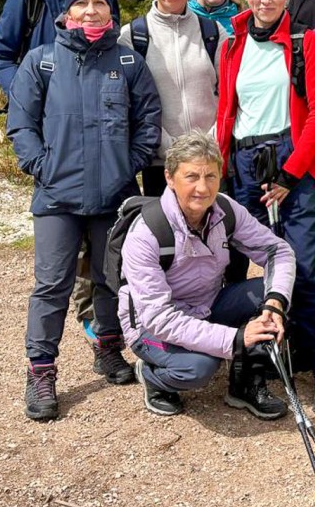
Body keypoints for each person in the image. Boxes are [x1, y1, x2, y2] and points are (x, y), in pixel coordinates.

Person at [7, 0, 162, 421]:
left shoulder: (128, 62)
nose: (91, 11)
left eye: (99, 3)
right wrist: (42, 167)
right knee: (52, 285)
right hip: (56, 197)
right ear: (68, 9)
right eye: (82, 3)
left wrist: (127, 166)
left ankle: (108, 347)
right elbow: (21, 124)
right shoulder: (42, 61)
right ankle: (41, 370)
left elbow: (148, 121)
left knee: (110, 278)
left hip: (113, 196)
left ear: (110, 11)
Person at [216, 0, 315, 411]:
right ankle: (256, 361)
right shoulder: (231, 43)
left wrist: (291, 174)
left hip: (294, 158)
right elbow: (227, 110)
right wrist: (222, 167)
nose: (265, 0)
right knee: (243, 267)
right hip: (245, 162)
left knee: (305, 266)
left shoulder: (305, 42)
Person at [118, 131, 295, 419]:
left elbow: (277, 251)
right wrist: (236, 338)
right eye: (191, 177)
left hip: (207, 304)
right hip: (150, 327)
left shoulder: (225, 209)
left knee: (278, 291)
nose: (202, 188)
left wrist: (275, 303)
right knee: (199, 368)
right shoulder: (146, 234)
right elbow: (159, 318)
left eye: (210, 176)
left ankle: (244, 385)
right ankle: (153, 377)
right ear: (169, 178)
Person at [120, 0, 221, 198]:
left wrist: (208, 145)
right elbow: (130, 104)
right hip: (160, 163)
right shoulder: (132, 37)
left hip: (210, 159)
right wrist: (170, 148)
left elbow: (229, 94)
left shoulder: (213, 33)